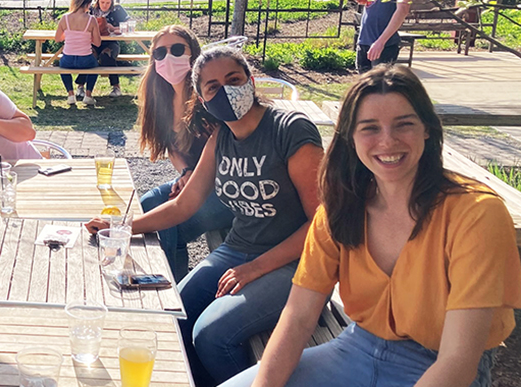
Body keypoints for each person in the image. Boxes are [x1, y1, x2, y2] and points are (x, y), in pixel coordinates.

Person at [221, 65, 521, 387]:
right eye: (370, 128)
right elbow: (297, 318)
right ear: (350, 137)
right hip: (358, 347)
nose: (387, 141)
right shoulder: (341, 208)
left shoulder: (475, 214)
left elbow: (458, 361)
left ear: (427, 129)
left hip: (437, 366)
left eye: (404, 124)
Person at [86, 46, 323, 386]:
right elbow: (184, 205)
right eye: (212, 86)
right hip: (237, 251)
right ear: (201, 96)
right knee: (172, 318)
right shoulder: (221, 136)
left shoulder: (289, 129)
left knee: (210, 335)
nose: (225, 90)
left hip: (299, 264)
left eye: (233, 79)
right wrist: (121, 227)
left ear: (251, 82)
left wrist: (257, 267)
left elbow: (323, 222)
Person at [135, 25, 235, 282]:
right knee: (146, 205)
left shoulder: (207, 95)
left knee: (168, 225)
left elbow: (225, 151)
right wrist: (186, 172)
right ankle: (174, 281)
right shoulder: (160, 97)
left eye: (177, 49)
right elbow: (171, 147)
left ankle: (167, 287)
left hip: (225, 189)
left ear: (193, 54)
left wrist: (194, 178)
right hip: (193, 180)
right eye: (160, 53)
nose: (168, 58)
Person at [54, 0, 102, 106]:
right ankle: (88, 94)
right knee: (95, 67)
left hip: (68, 59)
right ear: (88, 4)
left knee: (63, 67)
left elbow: (57, 38)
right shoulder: (91, 19)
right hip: (86, 59)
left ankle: (71, 94)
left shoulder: (65, 18)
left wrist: (69, 35)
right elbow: (98, 43)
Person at [87, 0, 130, 97]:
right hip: (93, 42)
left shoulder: (117, 9)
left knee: (106, 55)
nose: (105, 5)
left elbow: (129, 25)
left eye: (107, 3)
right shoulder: (90, 9)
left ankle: (116, 87)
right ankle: (82, 87)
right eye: (102, 2)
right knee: (89, 56)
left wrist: (114, 29)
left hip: (111, 43)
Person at [356, 0, 409, 73]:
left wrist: (381, 42)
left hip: (384, 46)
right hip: (364, 40)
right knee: (364, 82)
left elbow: (403, 10)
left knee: (379, 82)